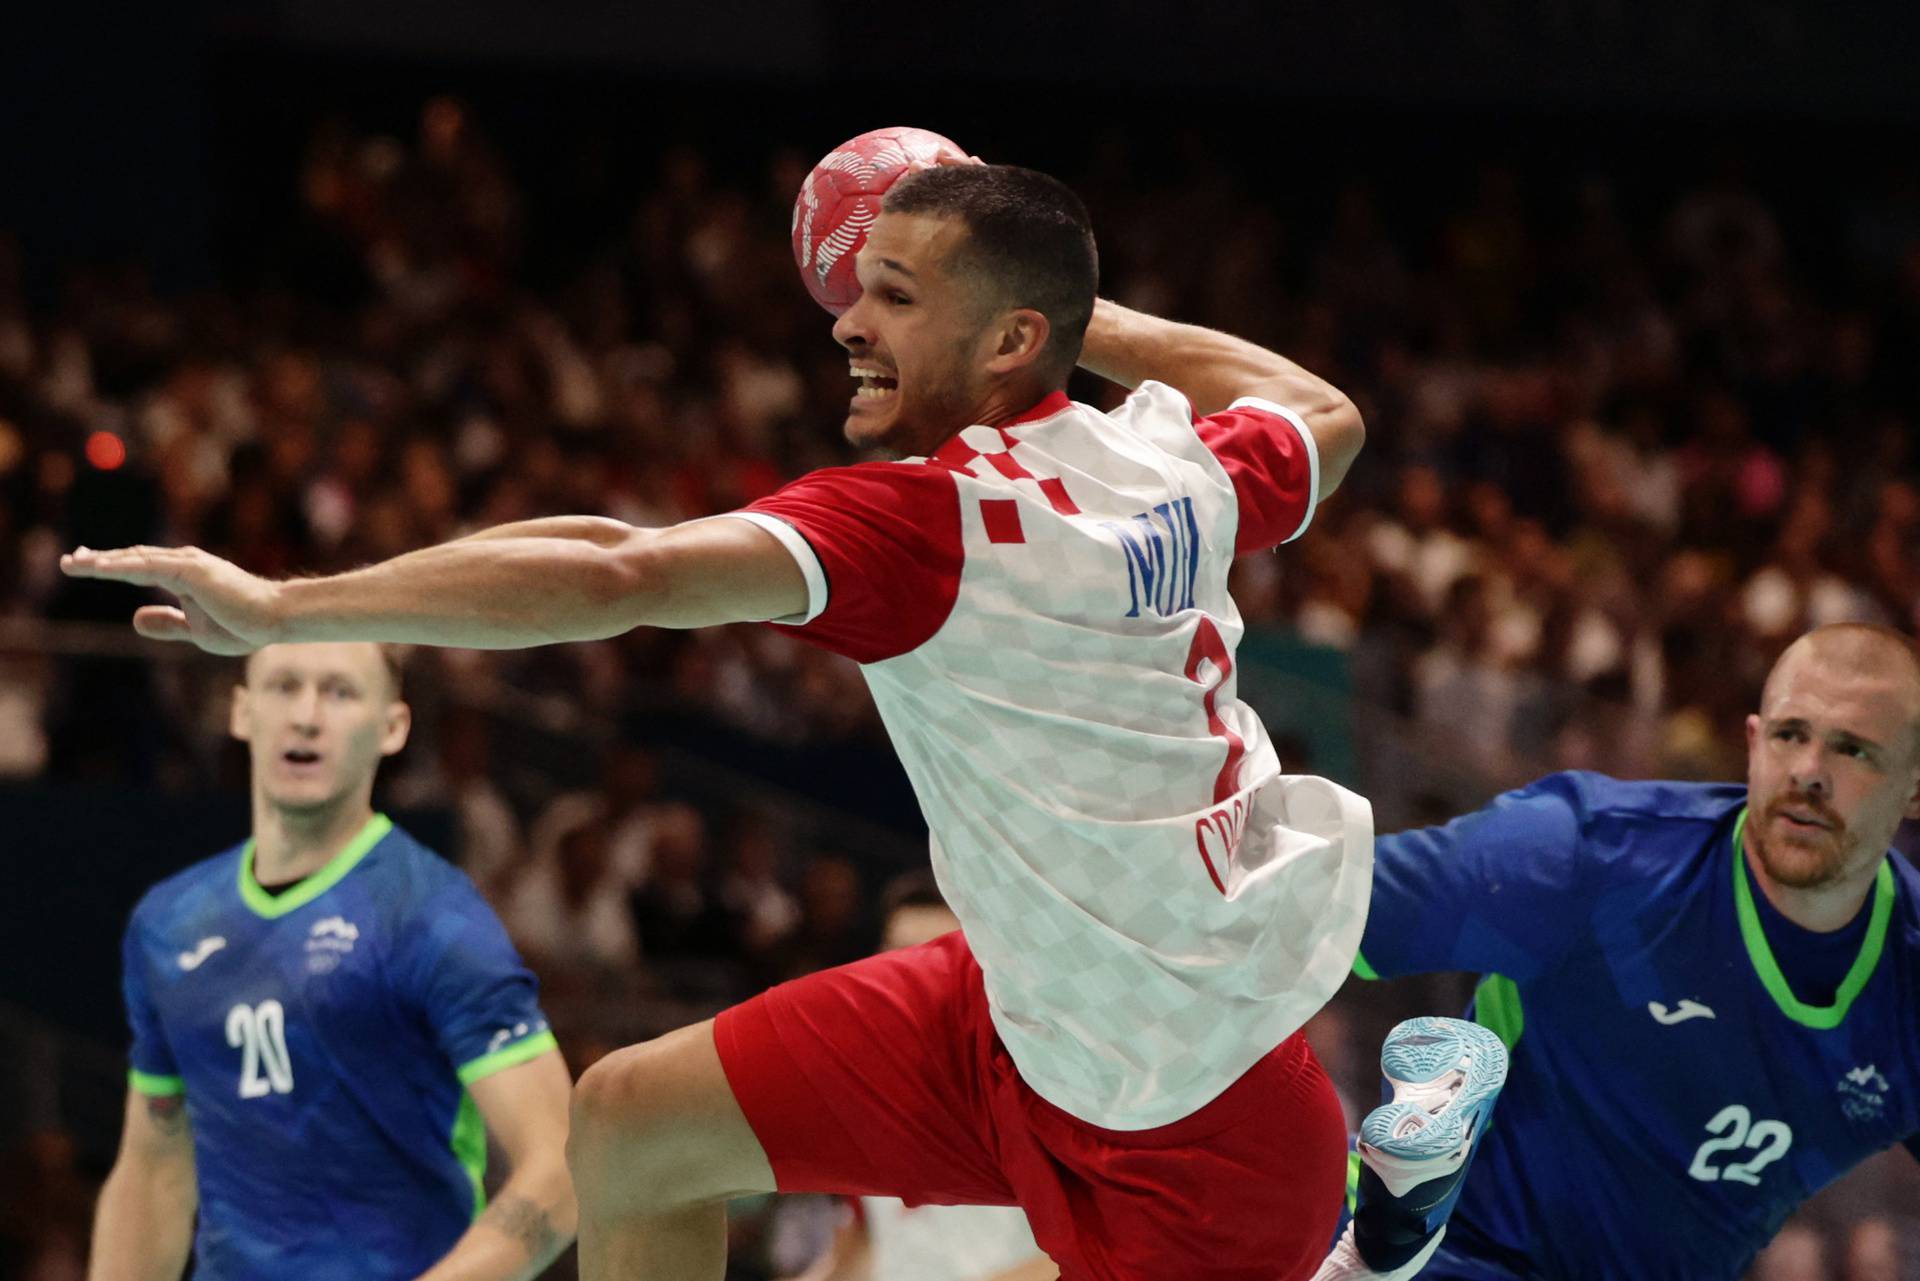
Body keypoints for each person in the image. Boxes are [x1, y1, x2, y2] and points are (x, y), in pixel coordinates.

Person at [64, 162, 1372, 1281]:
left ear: (1010, 340)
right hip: (1023, 1016)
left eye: (894, 298)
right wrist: (1066, 312)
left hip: (1199, 1134)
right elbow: (1325, 412)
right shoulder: (1169, 465)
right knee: (630, 1122)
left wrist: (286, 607)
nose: (847, 319)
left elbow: (614, 575)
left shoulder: (932, 528)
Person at [1341, 623, 1920, 1280]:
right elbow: (1297, 914)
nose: (1811, 772)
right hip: (1442, 1250)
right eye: (1792, 734)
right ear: (1755, 743)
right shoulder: (1589, 857)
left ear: (1913, 786)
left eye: (1854, 750)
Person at [87, 642, 576, 1280]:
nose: (307, 716)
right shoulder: (170, 922)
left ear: (393, 727)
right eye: (284, 686)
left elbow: (564, 1163)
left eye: (340, 692)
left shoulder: (431, 915)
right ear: (240, 711)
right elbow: (154, 1166)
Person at [782, 872, 1058, 1281]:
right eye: (895, 957)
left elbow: (1093, 1255)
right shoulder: (866, 1102)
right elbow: (866, 1247)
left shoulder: (1046, 1095)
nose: (906, 982)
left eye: (933, 959)